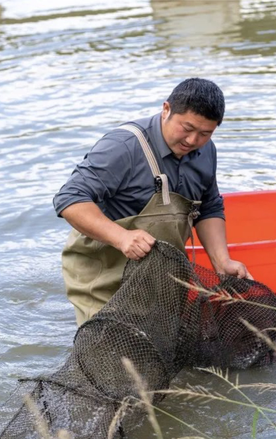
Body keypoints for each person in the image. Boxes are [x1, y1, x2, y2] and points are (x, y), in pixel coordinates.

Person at [53, 78, 251, 325]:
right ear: (166, 109)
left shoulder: (206, 151)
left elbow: (209, 206)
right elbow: (69, 199)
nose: (192, 141)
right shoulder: (123, 146)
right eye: (186, 128)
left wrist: (222, 262)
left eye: (204, 133)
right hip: (105, 278)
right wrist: (122, 237)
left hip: (162, 278)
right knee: (115, 357)